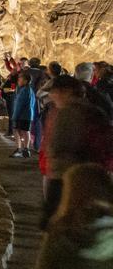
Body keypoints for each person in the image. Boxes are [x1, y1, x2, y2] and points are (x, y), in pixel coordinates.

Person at [40, 75, 113, 226]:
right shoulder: (93, 110)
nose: (52, 96)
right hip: (93, 175)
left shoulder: (68, 112)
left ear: (66, 92)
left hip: (67, 176)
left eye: (54, 92)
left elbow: (59, 145)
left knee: (59, 222)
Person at [10, 70, 37, 158]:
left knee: (16, 130)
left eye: (20, 79)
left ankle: (19, 149)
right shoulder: (30, 90)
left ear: (25, 80)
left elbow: (19, 104)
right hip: (28, 115)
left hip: (22, 115)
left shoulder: (23, 91)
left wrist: (15, 116)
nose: (18, 81)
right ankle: (26, 150)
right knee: (26, 131)